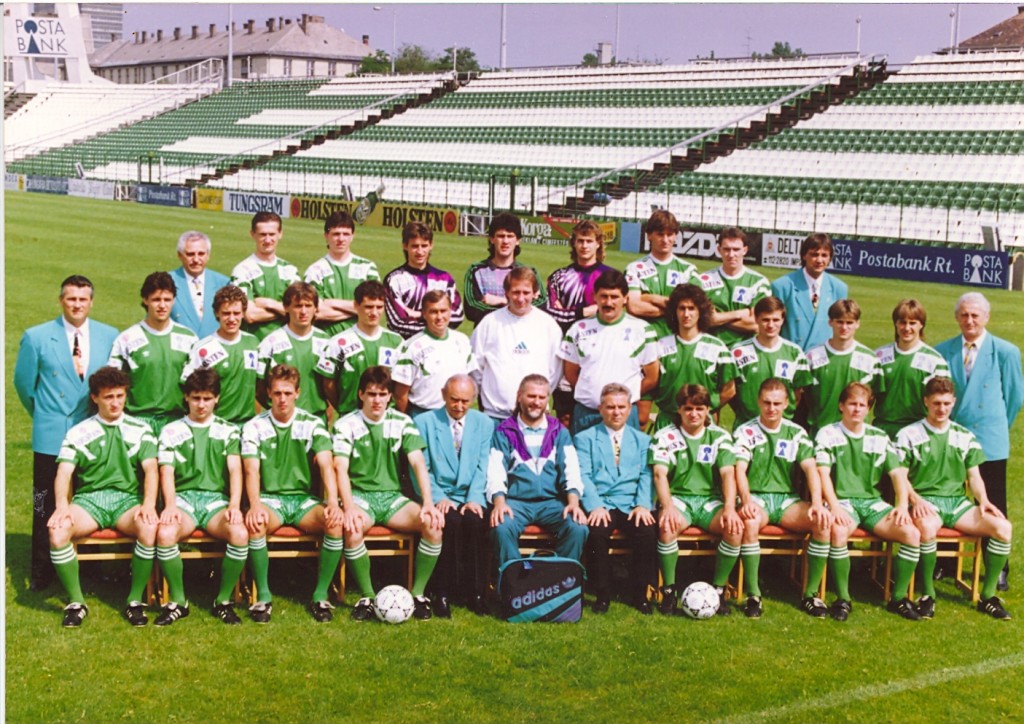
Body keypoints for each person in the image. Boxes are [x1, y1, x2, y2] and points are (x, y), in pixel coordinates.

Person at [14, 274, 119, 591]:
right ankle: (41, 569)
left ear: (91, 302)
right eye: (71, 298)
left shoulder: (108, 336)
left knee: (92, 498)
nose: (77, 304)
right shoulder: (37, 336)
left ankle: (94, 567)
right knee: (43, 503)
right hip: (51, 435)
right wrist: (46, 416)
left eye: (83, 299)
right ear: (61, 300)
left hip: (92, 433)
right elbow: (24, 385)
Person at [46, 367, 159, 627]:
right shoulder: (78, 432)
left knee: (149, 526)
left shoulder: (140, 429)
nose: (115, 403)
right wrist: (62, 506)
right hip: (89, 501)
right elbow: (64, 472)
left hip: (127, 501)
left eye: (120, 396)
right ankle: (76, 602)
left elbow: (151, 470)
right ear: (95, 397)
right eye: (108, 397)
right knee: (57, 531)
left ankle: (134, 600)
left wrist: (149, 504)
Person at [333, 366, 444, 621]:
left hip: (393, 498)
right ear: (361, 394)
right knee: (352, 528)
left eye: (382, 394)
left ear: (390, 396)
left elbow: (418, 463)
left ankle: (418, 595)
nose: (377, 400)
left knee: (433, 524)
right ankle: (368, 597)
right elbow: (340, 468)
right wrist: (348, 507)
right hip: (361, 497)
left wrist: (428, 503)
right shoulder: (346, 424)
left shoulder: (402, 422)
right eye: (371, 394)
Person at [896, 377, 1013, 619]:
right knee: (927, 528)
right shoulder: (909, 434)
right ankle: (928, 594)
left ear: (953, 402)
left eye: (947, 403)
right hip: (926, 501)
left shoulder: (964, 435)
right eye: (936, 403)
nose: (942, 409)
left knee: (1003, 528)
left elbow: (974, 476)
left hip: (957, 504)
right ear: (926, 401)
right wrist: (915, 499)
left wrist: (984, 501)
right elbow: (900, 476)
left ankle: (987, 596)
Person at [241, 364, 345, 624]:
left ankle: (320, 595)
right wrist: (255, 505)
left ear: (297, 393)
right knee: (255, 523)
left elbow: (326, 464)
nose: (282, 399)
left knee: (334, 522)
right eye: (277, 393)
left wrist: (333, 502)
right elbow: (251, 470)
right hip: (270, 500)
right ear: (268, 393)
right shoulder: (254, 426)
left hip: (303, 501)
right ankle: (263, 597)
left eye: (288, 393)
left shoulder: (312, 424)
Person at [935, 292, 1023, 591]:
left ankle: (997, 567)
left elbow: (1014, 397)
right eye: (964, 315)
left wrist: (995, 426)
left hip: (990, 439)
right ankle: (945, 560)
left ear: (986, 317)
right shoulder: (943, 351)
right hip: (952, 438)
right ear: (956, 317)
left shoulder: (1005, 352)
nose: (969, 320)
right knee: (947, 497)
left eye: (975, 315)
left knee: (993, 503)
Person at [815, 382, 923, 621]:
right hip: (843, 502)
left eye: (862, 405)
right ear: (841, 406)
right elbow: (822, 474)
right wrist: (834, 506)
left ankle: (898, 598)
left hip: (872, 503)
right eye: (852, 404)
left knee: (912, 533)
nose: (857, 409)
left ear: (868, 409)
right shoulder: (828, 433)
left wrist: (902, 505)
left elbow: (897, 475)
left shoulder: (879, 436)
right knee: (839, 531)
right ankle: (843, 598)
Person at [155, 369, 249, 625]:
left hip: (216, 502)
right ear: (186, 397)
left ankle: (223, 601)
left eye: (207, 398)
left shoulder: (229, 431)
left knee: (239, 534)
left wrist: (234, 505)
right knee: (165, 534)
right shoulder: (171, 430)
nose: (201, 404)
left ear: (217, 399)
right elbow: (166, 472)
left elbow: (235, 470)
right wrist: (170, 505)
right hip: (183, 501)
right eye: (196, 398)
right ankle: (178, 601)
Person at [733, 379, 832, 619]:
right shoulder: (745, 431)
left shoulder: (796, 432)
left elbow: (811, 469)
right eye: (766, 402)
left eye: (777, 403)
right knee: (750, 522)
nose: (771, 408)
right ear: (758, 402)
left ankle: (810, 594)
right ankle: (753, 594)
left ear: (787, 403)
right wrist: (746, 500)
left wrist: (817, 503)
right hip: (757, 498)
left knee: (822, 522)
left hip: (787, 501)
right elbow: (739, 470)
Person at [650, 384, 740, 616]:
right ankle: (669, 591)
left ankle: (719, 591)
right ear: (679, 410)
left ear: (708, 410)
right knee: (667, 526)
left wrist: (730, 508)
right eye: (688, 408)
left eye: (700, 409)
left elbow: (728, 474)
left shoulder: (719, 436)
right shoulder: (665, 436)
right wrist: (667, 507)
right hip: (679, 499)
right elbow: (660, 474)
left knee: (734, 528)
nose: (694, 414)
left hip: (710, 501)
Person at [486, 375, 589, 570]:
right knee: (501, 527)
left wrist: (573, 503)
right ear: (519, 396)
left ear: (547, 399)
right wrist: (499, 503)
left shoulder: (559, 431)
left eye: (542, 397)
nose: (536, 402)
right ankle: (516, 581)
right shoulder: (504, 431)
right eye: (531, 396)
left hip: (552, 502)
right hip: (516, 502)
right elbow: (495, 471)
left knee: (577, 527)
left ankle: (560, 580)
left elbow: (571, 470)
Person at [413, 374, 495, 616]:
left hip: (469, 493)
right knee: (449, 521)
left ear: (473, 400)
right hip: (438, 492)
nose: (459, 406)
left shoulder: (484, 423)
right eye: (454, 399)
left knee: (476, 521)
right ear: (443, 395)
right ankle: (442, 592)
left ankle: (476, 593)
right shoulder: (424, 422)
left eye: (465, 401)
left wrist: (474, 499)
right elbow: (422, 468)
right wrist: (438, 498)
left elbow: (482, 466)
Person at [576, 383, 657, 615]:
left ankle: (640, 594)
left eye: (621, 407)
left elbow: (646, 474)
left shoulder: (642, 440)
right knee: (596, 532)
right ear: (601, 409)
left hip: (631, 503)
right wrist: (595, 505)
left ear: (630, 409)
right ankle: (602, 594)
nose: (616, 412)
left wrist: (643, 504)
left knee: (646, 531)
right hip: (602, 501)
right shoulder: (585, 438)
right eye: (610, 407)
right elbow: (583, 475)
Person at [558, 269, 659, 435]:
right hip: (587, 413)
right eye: (604, 296)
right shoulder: (578, 329)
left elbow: (652, 377)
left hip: (624, 416)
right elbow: (570, 373)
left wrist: (622, 399)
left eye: (614, 297)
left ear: (625, 298)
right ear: (595, 297)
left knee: (625, 453)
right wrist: (592, 393)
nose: (608, 302)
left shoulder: (642, 330)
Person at [108, 271, 198, 436]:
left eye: (167, 300)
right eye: (156, 299)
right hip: (137, 420)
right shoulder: (127, 339)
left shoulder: (189, 338)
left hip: (177, 421)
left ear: (173, 300)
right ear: (145, 300)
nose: (162, 305)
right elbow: (112, 384)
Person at [544, 220, 616, 424]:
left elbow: (615, 315)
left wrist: (568, 312)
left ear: (598, 244)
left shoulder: (611, 277)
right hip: (568, 353)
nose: (584, 246)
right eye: (580, 241)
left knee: (603, 413)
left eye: (589, 241)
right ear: (574, 244)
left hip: (600, 352)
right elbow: (553, 315)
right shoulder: (558, 277)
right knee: (565, 417)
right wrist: (584, 312)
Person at [470, 267, 563, 420]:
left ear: (535, 293)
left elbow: (555, 371)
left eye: (526, 292)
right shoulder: (489, 323)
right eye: (515, 292)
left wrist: (538, 399)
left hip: (534, 417)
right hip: (495, 415)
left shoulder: (548, 325)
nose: (520, 298)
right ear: (506, 293)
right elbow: (475, 366)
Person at [651, 283, 737, 431]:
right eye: (682, 308)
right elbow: (651, 383)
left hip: (701, 422)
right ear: (674, 311)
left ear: (700, 312)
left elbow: (729, 390)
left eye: (691, 308)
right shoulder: (660, 346)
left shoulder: (717, 348)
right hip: (668, 423)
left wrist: (703, 409)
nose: (686, 314)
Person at [316, 280, 403, 417]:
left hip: (386, 418)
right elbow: (329, 384)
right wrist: (343, 407)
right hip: (350, 417)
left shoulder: (396, 342)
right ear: (356, 306)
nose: (374, 312)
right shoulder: (338, 344)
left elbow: (401, 384)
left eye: (379, 307)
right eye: (369, 307)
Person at [179, 285, 261, 426]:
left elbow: (259, 386)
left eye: (236, 313)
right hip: (217, 426)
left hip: (248, 425)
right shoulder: (203, 348)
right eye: (226, 313)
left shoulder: (253, 343)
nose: (231, 319)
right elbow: (188, 389)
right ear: (217, 313)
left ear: (243, 313)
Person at [727, 296, 813, 429]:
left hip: (782, 428)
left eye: (776, 320)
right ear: (756, 319)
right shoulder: (738, 352)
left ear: (783, 320)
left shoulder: (795, 353)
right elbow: (729, 390)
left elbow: (796, 394)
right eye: (765, 320)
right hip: (747, 428)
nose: (771, 325)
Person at [803, 299, 884, 436]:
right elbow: (805, 396)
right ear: (830, 322)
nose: (844, 327)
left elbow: (874, 397)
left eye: (849, 323)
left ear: (857, 324)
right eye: (840, 322)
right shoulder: (812, 356)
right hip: (820, 433)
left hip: (855, 434)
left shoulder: (870, 359)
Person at [873, 299, 950, 440]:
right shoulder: (878, 356)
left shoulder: (935, 361)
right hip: (883, 430)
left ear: (921, 325)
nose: (907, 328)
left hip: (917, 433)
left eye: (912, 323)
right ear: (896, 324)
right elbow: (865, 397)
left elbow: (942, 401)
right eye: (902, 322)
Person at [392, 290, 477, 417]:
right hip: (423, 414)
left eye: (443, 311)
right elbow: (400, 394)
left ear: (450, 311)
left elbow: (469, 380)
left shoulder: (462, 341)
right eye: (433, 312)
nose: (439, 317)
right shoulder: (412, 346)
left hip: (457, 413)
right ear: (424, 314)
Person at [255, 282, 331, 421]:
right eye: (298, 306)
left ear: (315, 308)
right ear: (286, 307)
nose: (303, 311)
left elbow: (331, 384)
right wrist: (277, 409)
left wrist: (328, 408)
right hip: (282, 420)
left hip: (317, 418)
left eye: (308, 305)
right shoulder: (270, 343)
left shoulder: (326, 342)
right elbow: (259, 388)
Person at [304, 210, 380, 337]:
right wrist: (360, 309)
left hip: (361, 340)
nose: (341, 239)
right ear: (326, 235)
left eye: (346, 234)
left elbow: (374, 306)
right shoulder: (315, 270)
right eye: (336, 234)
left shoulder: (367, 268)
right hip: (327, 341)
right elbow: (316, 312)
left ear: (352, 236)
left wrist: (330, 303)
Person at [625, 209, 698, 340]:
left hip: (678, 341)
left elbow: (693, 309)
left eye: (670, 234)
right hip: (643, 339)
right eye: (660, 234)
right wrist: (675, 308)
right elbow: (634, 307)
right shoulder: (634, 269)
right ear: (649, 235)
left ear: (675, 236)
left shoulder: (688, 271)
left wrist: (650, 298)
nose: (665, 240)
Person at [463, 211, 547, 324]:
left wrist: (500, 301)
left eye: (510, 236)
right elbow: (472, 309)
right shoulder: (476, 271)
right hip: (489, 333)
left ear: (518, 240)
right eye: (501, 236)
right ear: (492, 239)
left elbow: (542, 305)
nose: (505, 241)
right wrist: (519, 305)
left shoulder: (529, 273)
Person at [384, 221, 464, 339]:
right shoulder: (394, 280)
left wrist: (420, 314)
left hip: (438, 346)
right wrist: (437, 324)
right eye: (415, 246)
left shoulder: (444, 278)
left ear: (431, 245)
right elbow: (397, 323)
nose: (420, 251)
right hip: (406, 346)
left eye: (424, 245)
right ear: (405, 246)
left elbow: (457, 316)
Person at [770, 232, 849, 351]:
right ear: (804, 256)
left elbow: (842, 328)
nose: (819, 260)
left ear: (830, 258)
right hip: (792, 355)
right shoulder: (782, 286)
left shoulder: (839, 288)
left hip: (824, 357)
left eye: (824, 255)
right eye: (814, 254)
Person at [231, 211, 300, 342]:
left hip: (286, 344)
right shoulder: (242, 270)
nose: (268, 240)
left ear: (280, 234)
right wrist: (287, 311)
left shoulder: (289, 270)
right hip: (254, 344)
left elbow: (301, 310)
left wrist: (269, 304)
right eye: (262, 235)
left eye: (272, 234)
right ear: (252, 234)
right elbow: (250, 315)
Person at [699, 227, 771, 348]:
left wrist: (718, 318)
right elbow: (701, 319)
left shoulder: (759, 283)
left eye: (736, 249)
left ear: (745, 250)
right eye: (726, 249)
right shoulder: (702, 280)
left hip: (745, 350)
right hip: (709, 348)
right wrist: (741, 313)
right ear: (719, 250)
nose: (731, 255)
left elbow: (756, 325)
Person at [169, 230, 231, 338]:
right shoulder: (167, 282)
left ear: (208, 255)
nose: (196, 260)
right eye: (190, 254)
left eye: (201, 254)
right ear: (180, 255)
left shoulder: (224, 283)